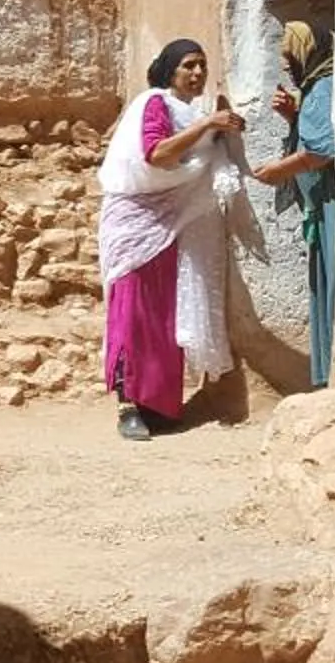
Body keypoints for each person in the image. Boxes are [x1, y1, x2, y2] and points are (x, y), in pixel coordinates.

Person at [96, 38, 247, 440]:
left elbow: (200, 155)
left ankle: (159, 404)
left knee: (165, 314)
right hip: (136, 222)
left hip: (173, 224)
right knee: (134, 312)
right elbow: (158, 155)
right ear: (170, 71)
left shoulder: (194, 112)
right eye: (188, 66)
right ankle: (129, 406)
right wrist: (207, 126)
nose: (198, 73)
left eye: (202, 65)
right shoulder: (155, 104)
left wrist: (222, 129)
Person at [251, 19, 335, 389]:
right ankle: (327, 375)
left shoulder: (323, 87)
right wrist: (293, 116)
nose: (285, 64)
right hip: (320, 204)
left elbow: (320, 151)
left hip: (330, 203)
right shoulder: (314, 90)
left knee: (333, 284)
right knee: (323, 282)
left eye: (289, 54)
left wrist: (279, 171)